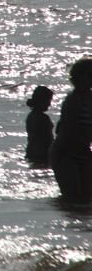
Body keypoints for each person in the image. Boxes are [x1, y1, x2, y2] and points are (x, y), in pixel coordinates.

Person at [50, 58, 92, 203]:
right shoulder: (72, 100)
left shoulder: (90, 99)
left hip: (84, 152)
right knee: (72, 199)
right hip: (65, 153)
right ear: (79, 78)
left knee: (86, 200)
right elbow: (67, 129)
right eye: (89, 75)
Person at [25, 85, 54, 165]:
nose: (49, 104)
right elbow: (48, 139)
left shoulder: (31, 116)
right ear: (42, 101)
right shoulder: (43, 118)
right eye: (48, 100)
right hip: (42, 154)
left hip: (31, 151)